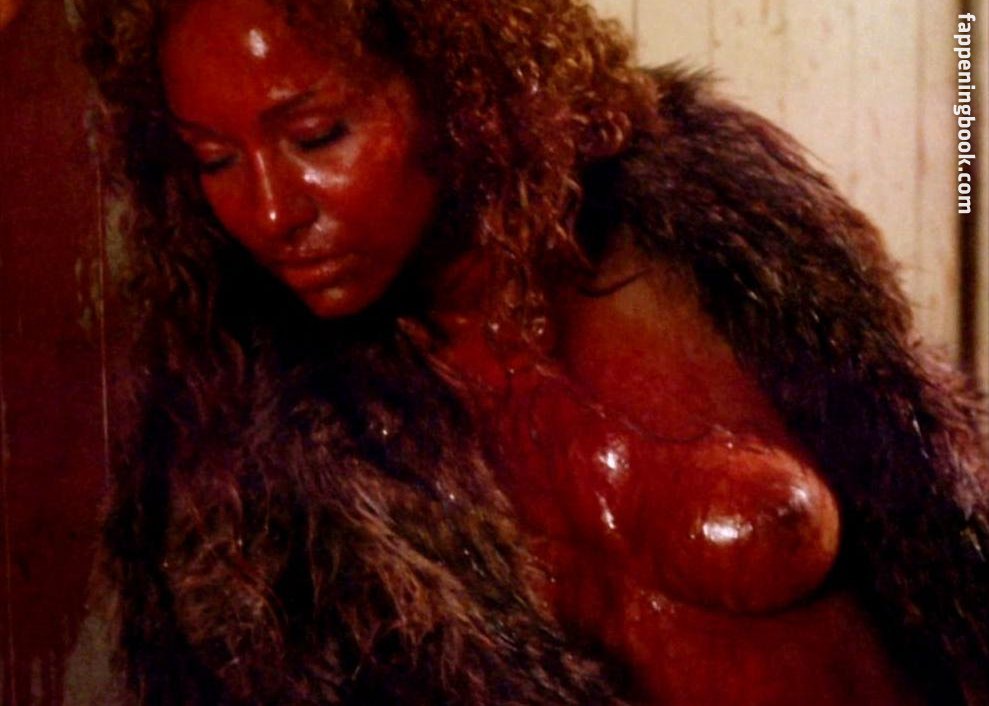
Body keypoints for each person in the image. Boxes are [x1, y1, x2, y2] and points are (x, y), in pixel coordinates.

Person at [77, 0, 989, 703]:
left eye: (318, 137)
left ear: (450, 82)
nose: (271, 212)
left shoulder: (712, 229)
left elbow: (939, 537)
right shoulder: (242, 447)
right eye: (214, 158)